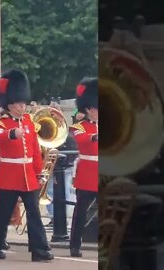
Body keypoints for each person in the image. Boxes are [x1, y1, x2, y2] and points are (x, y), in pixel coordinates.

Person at [0, 69, 53, 261]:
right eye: (20, 103)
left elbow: (34, 149)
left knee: (34, 213)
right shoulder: (0, 123)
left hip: (28, 176)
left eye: (24, 103)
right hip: (9, 175)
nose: (24, 106)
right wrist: (11, 134)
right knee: (4, 214)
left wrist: (39, 172)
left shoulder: (29, 122)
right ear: (10, 104)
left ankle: (39, 250)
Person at [69, 77, 98, 257]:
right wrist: (94, 137)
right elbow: (81, 139)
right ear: (88, 109)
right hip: (87, 173)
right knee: (80, 212)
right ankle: (75, 244)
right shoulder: (80, 126)